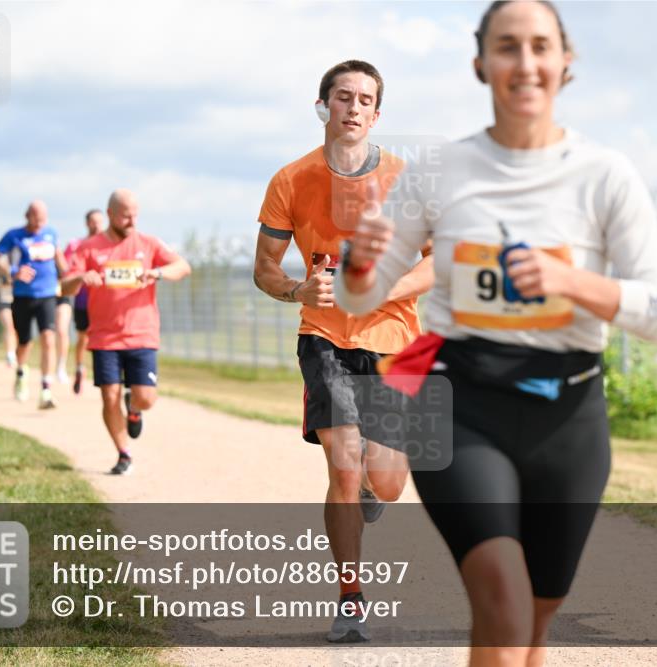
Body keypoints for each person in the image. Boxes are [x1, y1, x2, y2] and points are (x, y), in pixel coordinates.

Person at [335, 3, 657, 664]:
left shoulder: (604, 174)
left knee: (535, 622)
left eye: (540, 46)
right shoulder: (438, 170)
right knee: (503, 602)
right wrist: (358, 266)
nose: (525, 62)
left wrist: (572, 281)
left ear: (565, 62)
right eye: (507, 46)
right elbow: (362, 295)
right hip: (456, 402)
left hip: (569, 416)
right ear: (480, 63)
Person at [254, 59, 433, 643]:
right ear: (323, 106)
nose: (353, 107)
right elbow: (265, 267)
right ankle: (351, 598)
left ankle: (372, 494)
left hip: (393, 341)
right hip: (324, 337)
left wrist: (385, 287)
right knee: (344, 464)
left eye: (365, 100)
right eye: (343, 97)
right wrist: (297, 290)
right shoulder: (291, 179)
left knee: (388, 482)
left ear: (376, 114)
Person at [62, 189, 190, 474]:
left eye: (135, 215)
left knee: (146, 398)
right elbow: (64, 286)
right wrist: (82, 277)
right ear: (110, 214)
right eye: (125, 216)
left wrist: (157, 273)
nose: (132, 221)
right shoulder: (89, 247)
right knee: (109, 396)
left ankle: (134, 408)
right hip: (104, 336)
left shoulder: (148, 243)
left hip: (141, 333)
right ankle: (124, 454)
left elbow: (182, 267)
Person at [0, 201, 67, 408]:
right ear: (28, 216)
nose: (40, 223)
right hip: (23, 296)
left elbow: (60, 259)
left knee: (48, 338)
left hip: (47, 294)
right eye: (37, 218)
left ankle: (46, 389)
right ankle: (21, 373)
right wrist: (13, 272)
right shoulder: (13, 235)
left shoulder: (51, 233)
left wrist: (68, 275)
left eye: (43, 218)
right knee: (24, 342)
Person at [64, 208, 105, 394]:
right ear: (87, 223)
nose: (97, 225)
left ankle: (102, 372)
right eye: (93, 221)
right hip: (82, 300)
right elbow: (67, 270)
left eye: (99, 221)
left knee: (102, 338)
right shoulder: (77, 245)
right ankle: (80, 367)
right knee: (83, 337)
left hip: (104, 301)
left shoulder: (108, 246)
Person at [0, 275, 16, 367]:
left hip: (21, 296)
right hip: (6, 294)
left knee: (17, 328)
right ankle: (10, 354)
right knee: (9, 326)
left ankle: (15, 353)